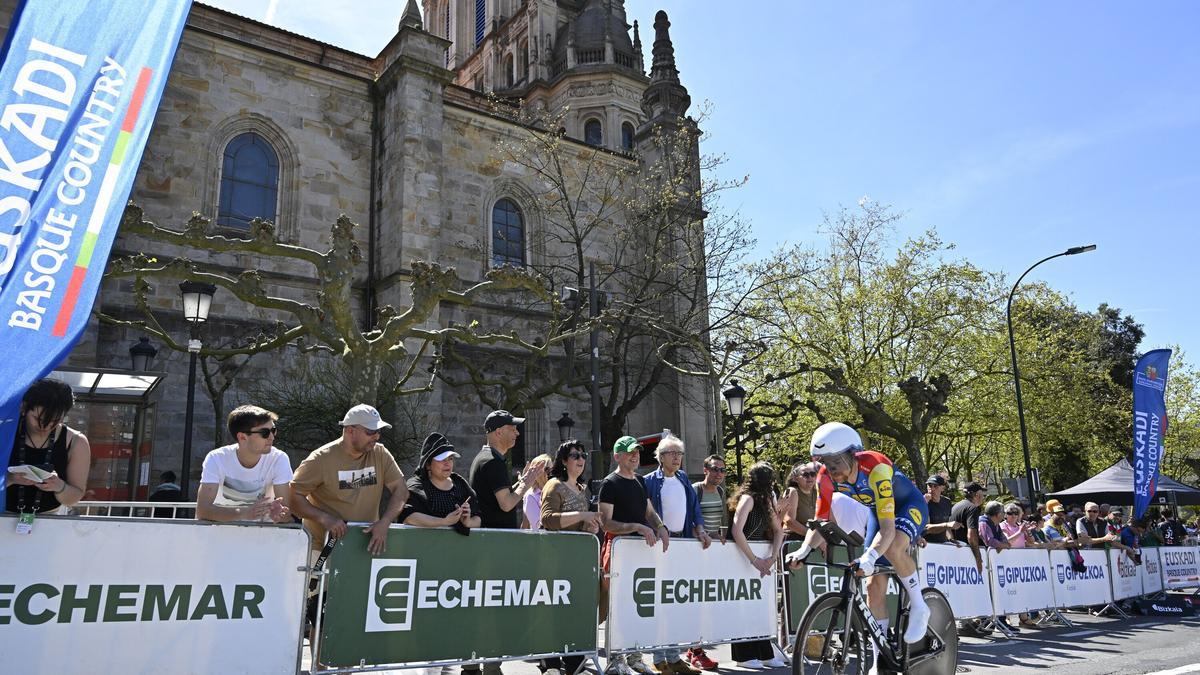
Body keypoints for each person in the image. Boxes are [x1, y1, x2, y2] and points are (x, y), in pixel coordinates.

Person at [786, 422, 931, 645]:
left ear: (853, 454)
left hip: (908, 506)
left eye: (836, 461)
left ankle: (920, 606)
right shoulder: (824, 478)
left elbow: (888, 529)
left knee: (893, 549)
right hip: (878, 511)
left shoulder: (876, 468)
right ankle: (877, 658)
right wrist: (803, 551)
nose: (832, 469)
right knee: (873, 586)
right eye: (825, 462)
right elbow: (821, 523)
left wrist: (870, 556)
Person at [289, 403, 409, 653]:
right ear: (351, 431)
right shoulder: (320, 459)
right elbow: (292, 497)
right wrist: (325, 519)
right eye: (370, 432)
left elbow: (401, 490)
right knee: (322, 614)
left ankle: (345, 669)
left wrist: (385, 522)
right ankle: (321, 669)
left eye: (378, 432)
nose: (376, 437)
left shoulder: (381, 454)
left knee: (354, 615)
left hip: (362, 548)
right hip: (324, 549)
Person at [599, 435, 670, 675]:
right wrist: (637, 527)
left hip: (640, 552)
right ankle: (615, 660)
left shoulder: (640, 481)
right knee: (617, 607)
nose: (636, 455)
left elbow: (649, 511)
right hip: (618, 549)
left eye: (638, 452)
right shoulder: (610, 483)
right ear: (617, 456)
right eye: (630, 452)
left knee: (638, 605)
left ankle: (635, 657)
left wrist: (660, 527)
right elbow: (606, 523)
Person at [642, 434, 709, 674]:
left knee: (676, 602)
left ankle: (674, 656)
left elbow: (694, 510)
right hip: (661, 545)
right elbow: (645, 512)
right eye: (672, 453)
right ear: (660, 457)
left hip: (683, 542)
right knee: (661, 603)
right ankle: (659, 658)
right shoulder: (649, 481)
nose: (677, 458)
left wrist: (700, 530)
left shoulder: (683, 479)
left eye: (680, 453)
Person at [540, 439, 603, 675]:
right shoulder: (554, 485)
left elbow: (580, 524)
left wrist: (590, 527)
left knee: (576, 611)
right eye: (575, 455)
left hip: (578, 560)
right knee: (556, 612)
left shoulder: (582, 489)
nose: (580, 460)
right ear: (564, 461)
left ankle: (574, 661)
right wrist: (584, 514)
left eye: (583, 455)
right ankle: (551, 663)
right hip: (556, 559)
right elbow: (548, 520)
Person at [5, 378, 91, 519]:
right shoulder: (4, 432)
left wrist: (59, 486)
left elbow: (74, 498)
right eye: (38, 418)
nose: (45, 426)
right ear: (24, 408)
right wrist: (9, 479)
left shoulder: (76, 442)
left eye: (55, 421)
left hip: (49, 522)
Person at [729, 462, 786, 669]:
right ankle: (743, 656)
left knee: (758, 606)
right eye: (770, 480)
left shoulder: (765, 501)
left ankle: (765, 653)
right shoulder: (748, 499)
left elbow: (779, 531)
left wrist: (772, 557)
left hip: (759, 561)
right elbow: (737, 531)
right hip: (739, 558)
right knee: (742, 606)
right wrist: (755, 560)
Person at [195, 405, 293, 523]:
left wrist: (281, 515)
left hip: (264, 535)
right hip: (221, 535)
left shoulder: (279, 459)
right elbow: (202, 511)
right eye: (264, 432)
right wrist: (245, 513)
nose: (271, 437)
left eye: (273, 430)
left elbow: (286, 514)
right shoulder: (216, 458)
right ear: (242, 437)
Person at [470, 410, 543, 530]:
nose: (518, 433)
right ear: (499, 432)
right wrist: (525, 484)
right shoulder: (492, 461)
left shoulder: (485, 457)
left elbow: (500, 496)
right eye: (513, 429)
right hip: (495, 539)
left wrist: (521, 482)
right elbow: (506, 504)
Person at [399, 433, 480, 531]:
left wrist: (468, 522)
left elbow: (478, 518)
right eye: (441, 459)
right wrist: (444, 522)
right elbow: (409, 517)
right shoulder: (417, 486)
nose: (447, 463)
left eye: (450, 459)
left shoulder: (460, 483)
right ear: (428, 464)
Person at [693, 454, 729, 542]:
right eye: (715, 469)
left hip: (713, 544)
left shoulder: (720, 491)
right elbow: (688, 520)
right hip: (698, 543)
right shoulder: (695, 490)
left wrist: (716, 535)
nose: (719, 474)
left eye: (722, 470)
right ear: (705, 470)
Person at [780, 461, 819, 539]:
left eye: (813, 474)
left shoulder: (816, 492)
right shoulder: (792, 491)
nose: (810, 477)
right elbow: (789, 521)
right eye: (805, 475)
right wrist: (812, 536)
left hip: (809, 537)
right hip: (793, 538)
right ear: (795, 479)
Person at [521, 453, 555, 530]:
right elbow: (538, 526)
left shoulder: (555, 490)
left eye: (552, 469)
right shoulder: (530, 496)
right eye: (547, 469)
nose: (551, 473)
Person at [922, 474, 958, 544]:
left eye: (935, 486)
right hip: (926, 545)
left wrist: (951, 539)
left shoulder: (947, 502)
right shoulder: (923, 502)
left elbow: (947, 526)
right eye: (929, 486)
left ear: (943, 488)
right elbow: (926, 528)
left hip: (942, 545)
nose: (932, 489)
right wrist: (924, 504)